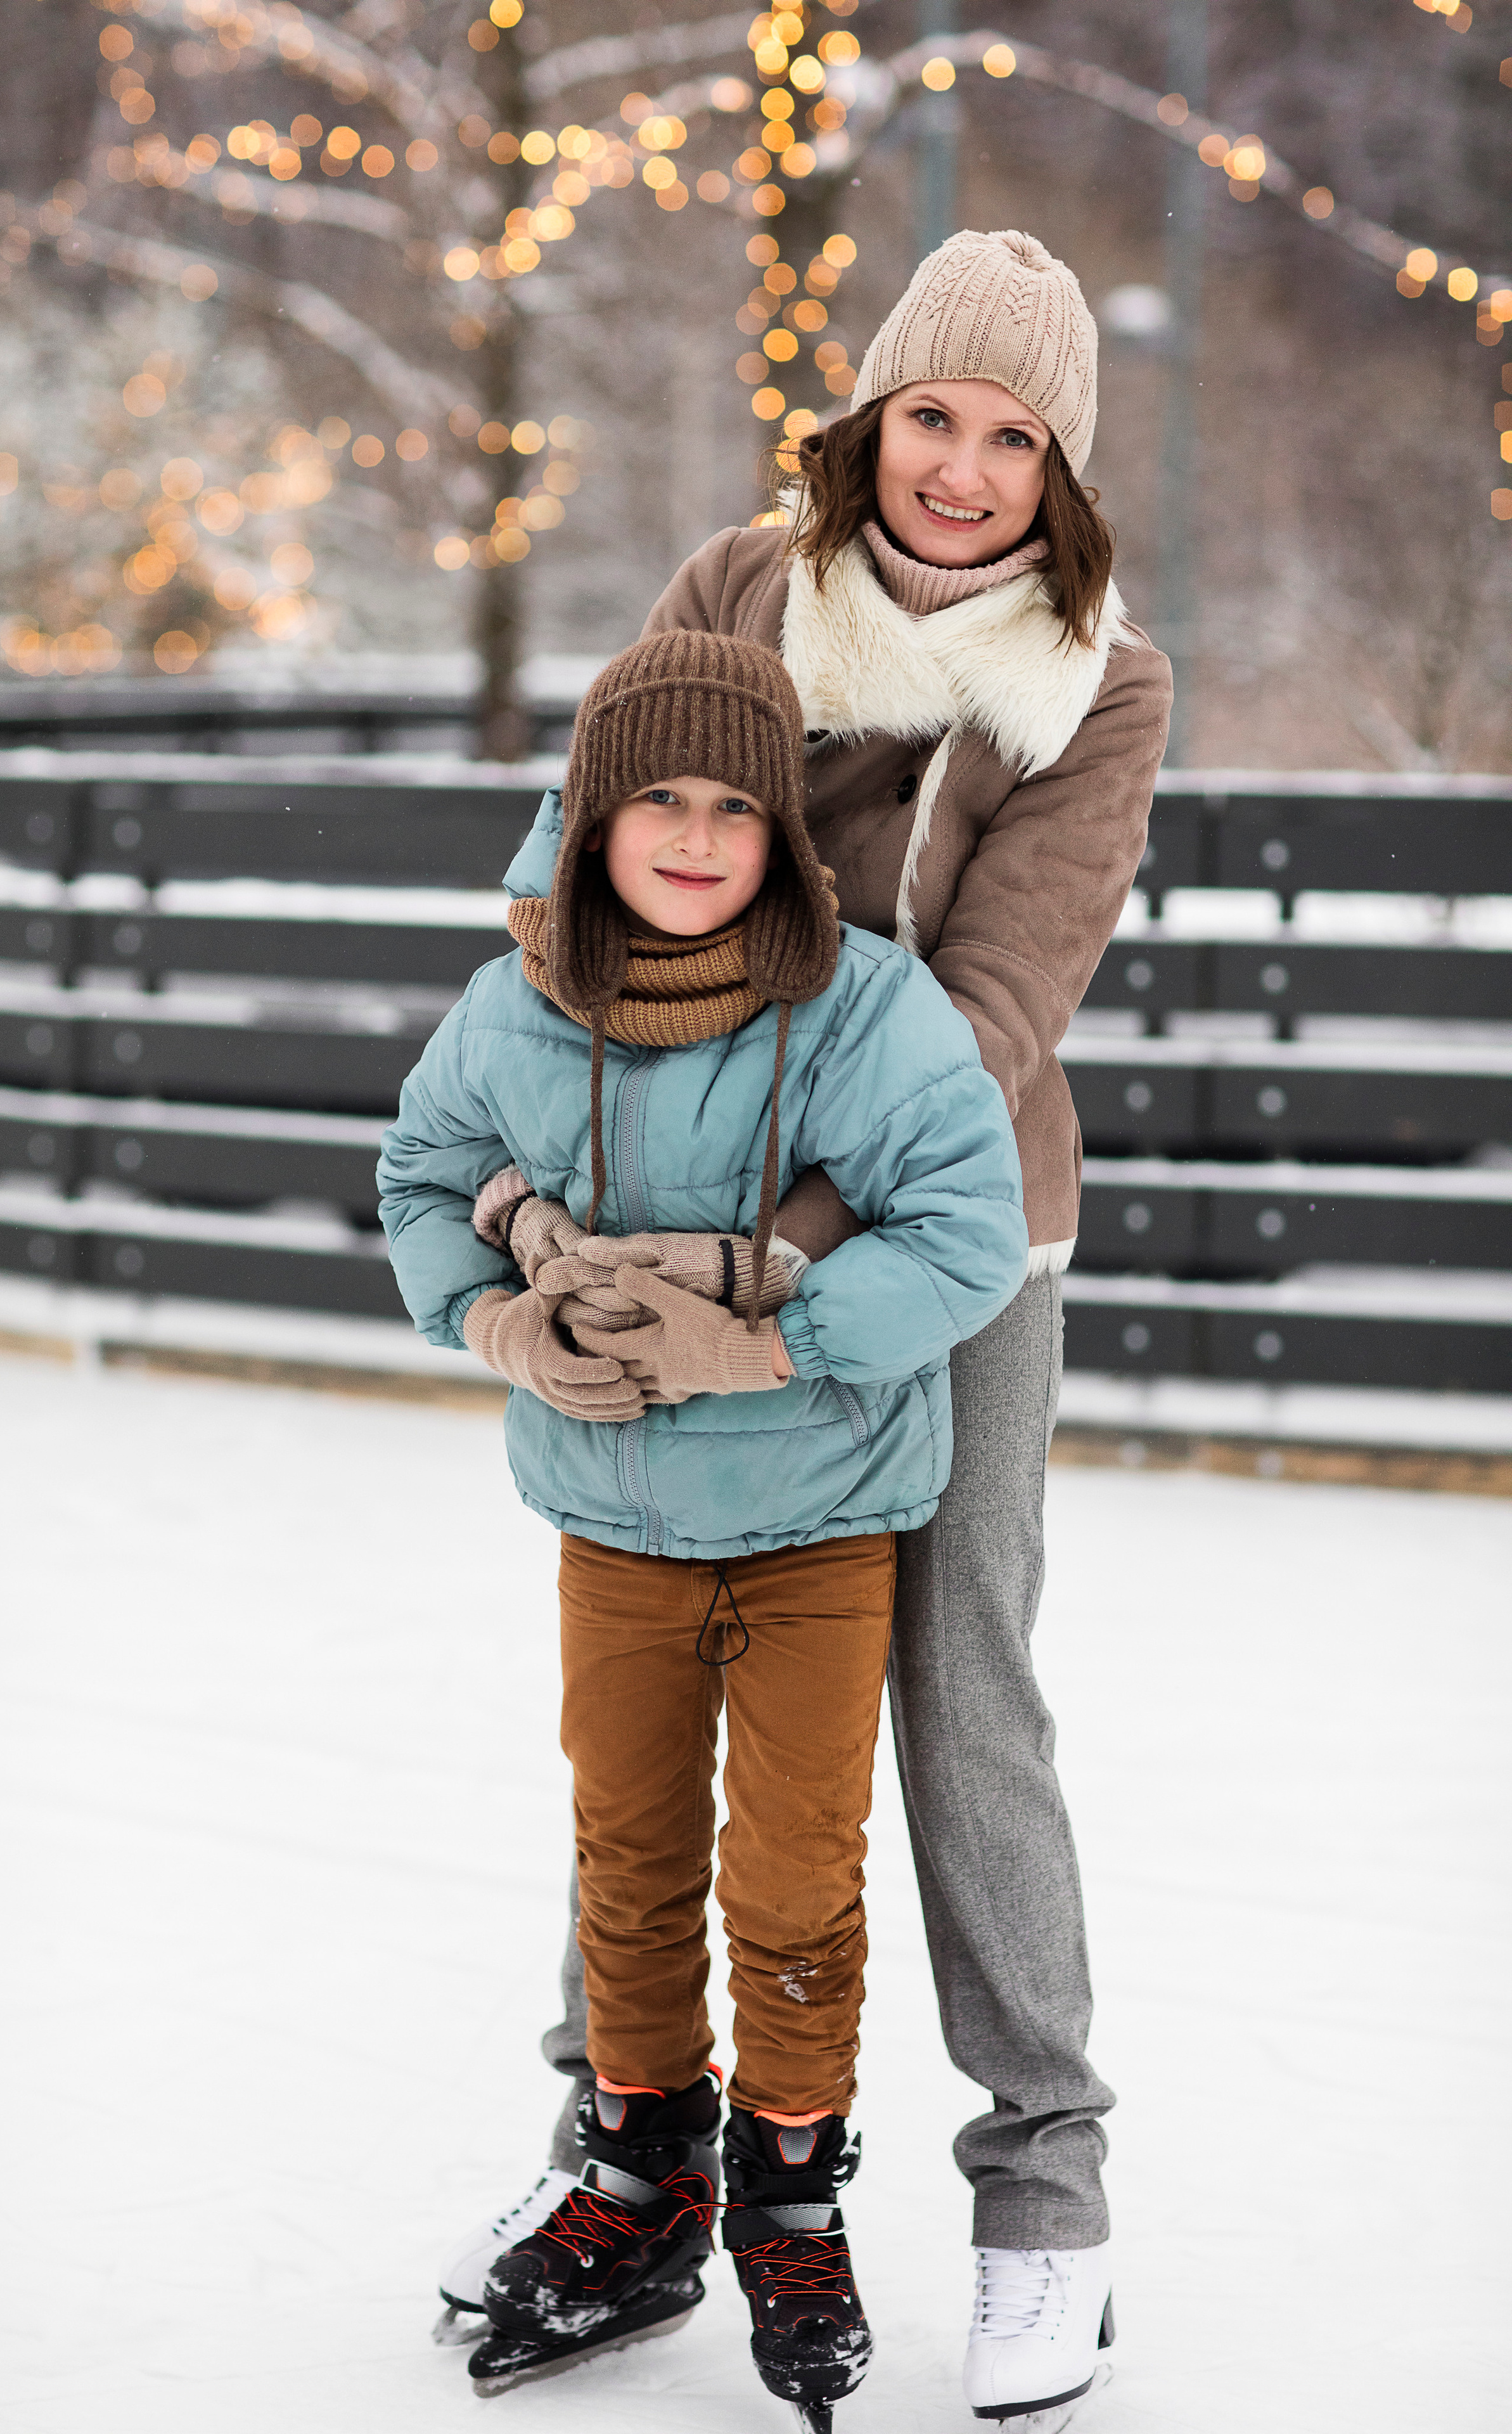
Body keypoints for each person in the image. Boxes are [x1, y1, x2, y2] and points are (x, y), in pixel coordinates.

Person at [437, 228, 1172, 2431]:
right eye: (933, 414)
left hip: (946, 1237)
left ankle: (1045, 2199)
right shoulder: (744, 584)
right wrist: (550, 1214)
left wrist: (763, 1256)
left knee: (955, 1694)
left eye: (1015, 438)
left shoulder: (1099, 680)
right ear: (872, 415)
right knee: (650, 1677)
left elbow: (998, 1004)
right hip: (652, 1208)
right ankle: (632, 2153)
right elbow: (564, 860)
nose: (963, 469)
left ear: (1061, 472)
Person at [378, 630, 1030, 2418]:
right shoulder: (512, 1007)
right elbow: (422, 1173)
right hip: (614, 1522)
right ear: (590, 816)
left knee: (797, 1871)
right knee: (630, 1856)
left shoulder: (865, 1008)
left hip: (822, 1521)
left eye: (732, 806)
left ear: (781, 833)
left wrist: (769, 1337)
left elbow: (966, 1232)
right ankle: (639, 2166)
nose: (691, 834)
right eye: (654, 798)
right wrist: (497, 1319)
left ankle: (792, 2189)